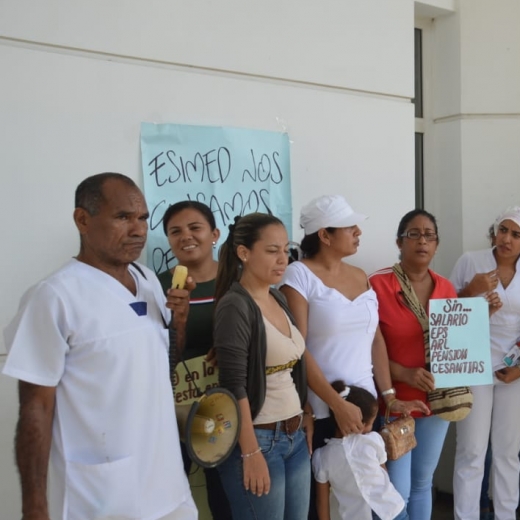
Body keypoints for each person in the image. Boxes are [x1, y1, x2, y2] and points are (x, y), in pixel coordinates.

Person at [3, 172, 198, 519]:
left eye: (142, 218)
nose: (138, 230)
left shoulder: (148, 280)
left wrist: (179, 323)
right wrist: (34, 505)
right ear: (82, 220)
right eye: (123, 217)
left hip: (168, 486)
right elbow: (36, 409)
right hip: (100, 496)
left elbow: (163, 364)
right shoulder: (54, 296)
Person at [279, 195, 428, 519]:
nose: (358, 231)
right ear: (324, 234)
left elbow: (374, 337)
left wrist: (388, 396)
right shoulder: (299, 276)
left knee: (376, 501)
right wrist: (335, 404)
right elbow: (297, 349)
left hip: (366, 410)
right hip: (323, 413)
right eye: (349, 226)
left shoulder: (361, 276)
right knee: (331, 507)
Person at [213, 213, 313, 519]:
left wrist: (304, 412)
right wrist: (250, 451)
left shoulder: (277, 297)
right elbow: (234, 384)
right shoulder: (235, 305)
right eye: (272, 251)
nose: (283, 259)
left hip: (293, 436)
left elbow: (292, 364)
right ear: (244, 253)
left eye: (286, 249)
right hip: (260, 438)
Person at [450, 206, 520, 520]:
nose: (507, 238)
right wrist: (471, 291)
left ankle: (506, 515)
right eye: (503, 230)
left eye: (516, 234)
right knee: (472, 450)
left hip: (513, 367)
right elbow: (448, 312)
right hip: (472, 358)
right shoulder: (471, 261)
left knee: (508, 451)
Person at [369, 209, 462, 520]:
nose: (422, 240)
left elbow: (456, 343)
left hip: (435, 401)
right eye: (414, 234)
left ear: (436, 245)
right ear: (399, 241)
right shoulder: (377, 285)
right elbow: (366, 346)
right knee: (396, 490)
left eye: (429, 235)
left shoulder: (446, 288)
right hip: (394, 401)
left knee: (423, 483)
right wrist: (403, 373)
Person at [158, 200, 233, 519]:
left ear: (214, 234)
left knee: (226, 494)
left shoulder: (237, 280)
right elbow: (155, 350)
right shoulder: (156, 285)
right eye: (175, 231)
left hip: (229, 406)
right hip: (175, 408)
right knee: (168, 496)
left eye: (195, 228)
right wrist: (179, 320)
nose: (185, 236)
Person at [313, 381, 408, 520]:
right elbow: (384, 474)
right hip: (392, 509)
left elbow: (322, 502)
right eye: (370, 423)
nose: (371, 428)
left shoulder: (322, 457)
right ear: (359, 423)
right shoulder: (373, 440)